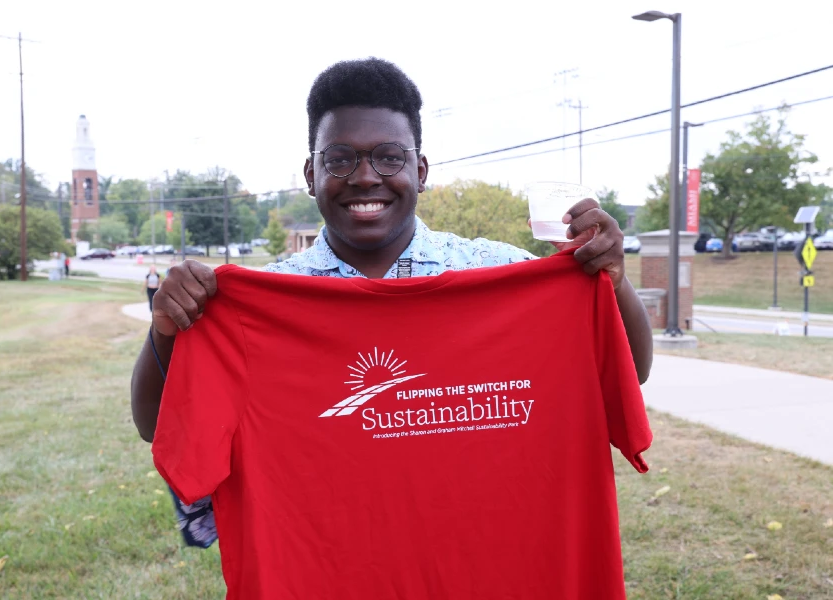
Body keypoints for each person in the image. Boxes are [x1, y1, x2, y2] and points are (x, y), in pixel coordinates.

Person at [131, 57, 653, 545]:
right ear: (310, 175)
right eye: (339, 159)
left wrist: (614, 281)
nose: (364, 177)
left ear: (420, 171)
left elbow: (632, 370)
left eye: (388, 157)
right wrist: (167, 331)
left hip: (488, 563)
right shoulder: (254, 309)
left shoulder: (503, 275)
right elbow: (156, 426)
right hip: (326, 570)